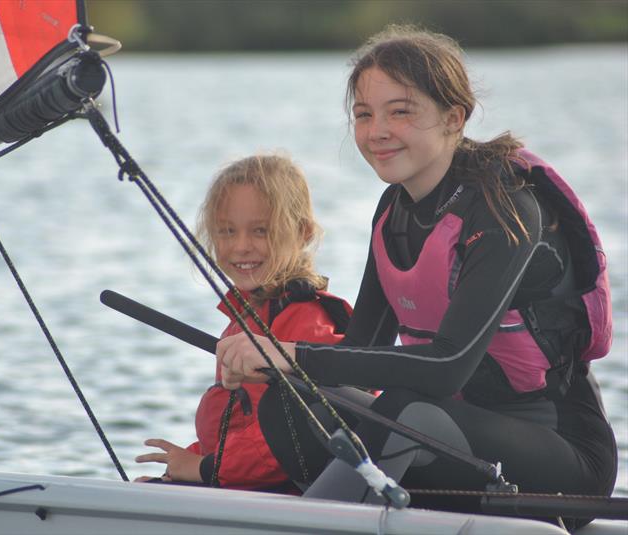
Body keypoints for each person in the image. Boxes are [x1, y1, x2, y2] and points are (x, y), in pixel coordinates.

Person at [216, 26, 616, 527]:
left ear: (453, 118)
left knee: (409, 409)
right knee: (291, 401)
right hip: (449, 443)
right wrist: (275, 363)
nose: (377, 131)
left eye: (400, 111)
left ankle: (312, 520)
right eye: (364, 115)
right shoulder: (393, 211)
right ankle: (339, 509)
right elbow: (358, 351)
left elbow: (448, 366)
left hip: (563, 457)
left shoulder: (505, 209)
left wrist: (293, 354)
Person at [135, 154, 353, 491]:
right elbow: (237, 430)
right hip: (243, 482)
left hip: (291, 494)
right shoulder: (243, 320)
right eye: (226, 231)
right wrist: (183, 462)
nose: (240, 246)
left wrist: (205, 468)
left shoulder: (310, 322)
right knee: (146, 488)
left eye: (260, 231)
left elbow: (288, 438)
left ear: (302, 232)